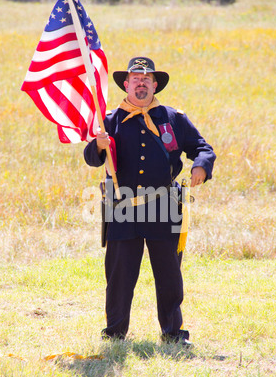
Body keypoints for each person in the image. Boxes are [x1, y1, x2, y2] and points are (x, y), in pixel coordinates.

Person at [84, 57, 216, 346]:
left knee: (169, 274)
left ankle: (173, 334)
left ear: (155, 84)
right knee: (119, 275)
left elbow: (202, 147)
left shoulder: (173, 118)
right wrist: (98, 145)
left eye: (146, 79)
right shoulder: (109, 120)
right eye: (135, 79)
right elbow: (91, 158)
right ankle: (115, 333)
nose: (141, 83)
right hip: (122, 207)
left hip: (164, 205)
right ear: (126, 84)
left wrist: (201, 166)